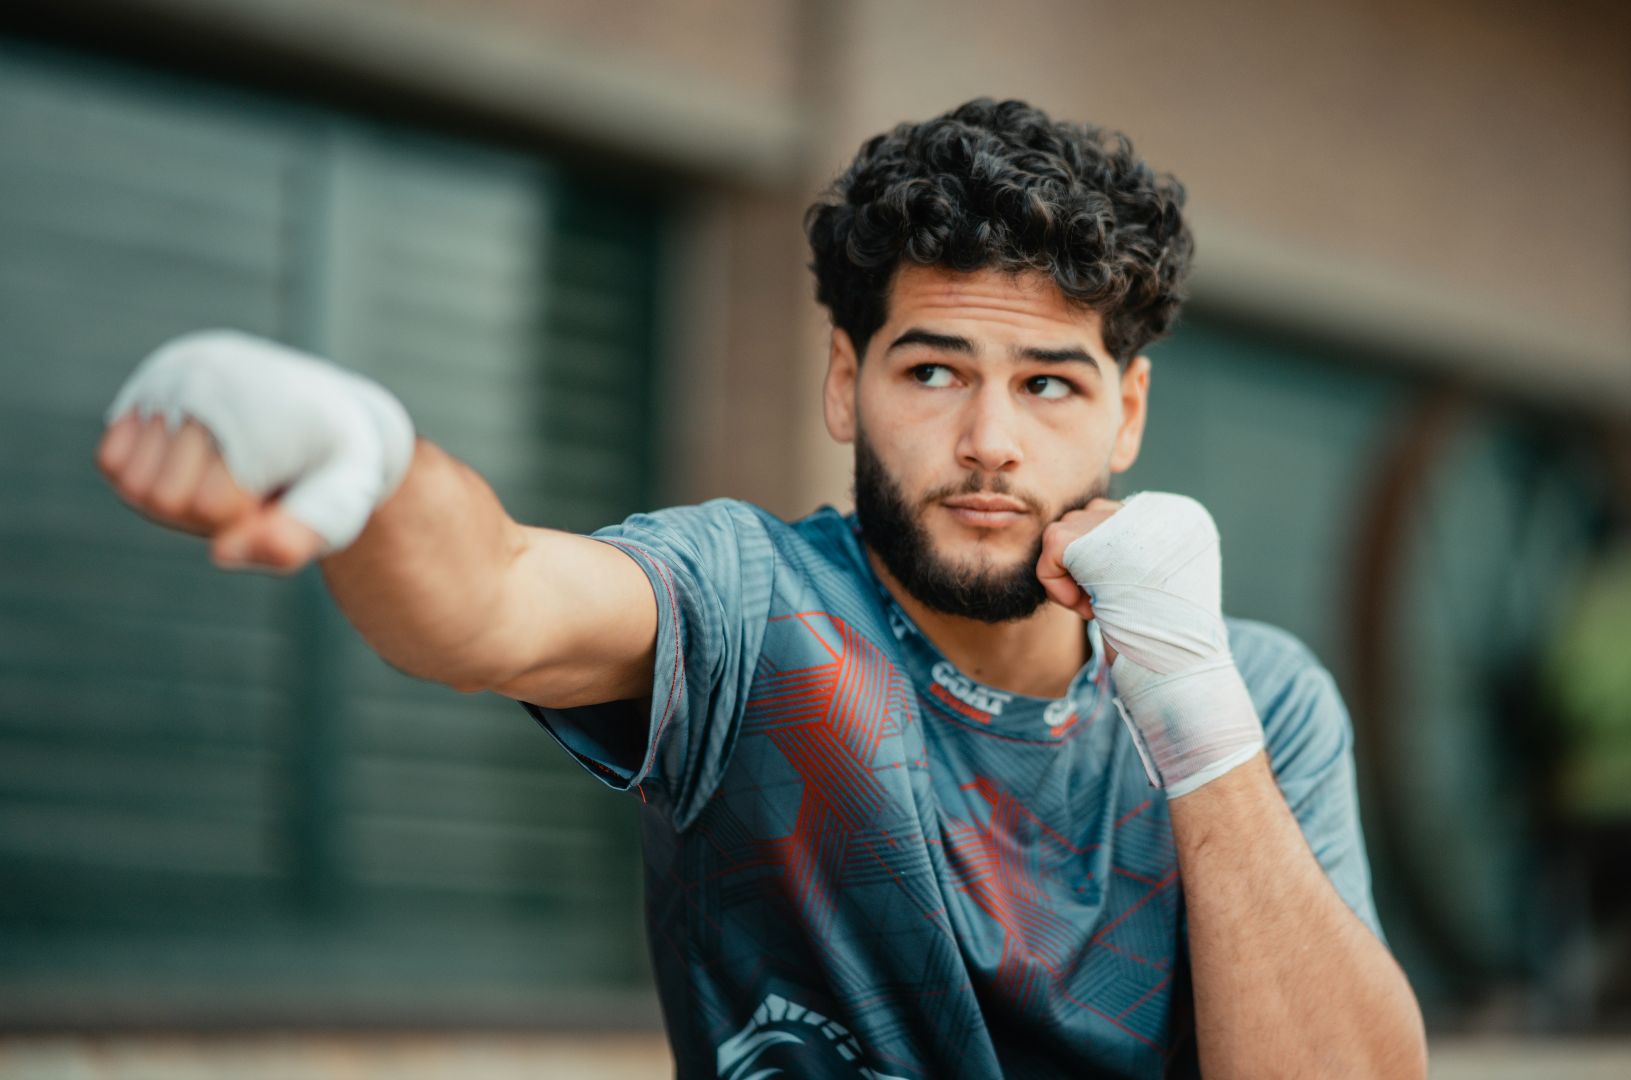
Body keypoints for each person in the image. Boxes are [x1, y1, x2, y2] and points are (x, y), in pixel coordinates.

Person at [94, 98, 1424, 1078]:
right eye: (931, 370)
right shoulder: (755, 606)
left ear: (1126, 410)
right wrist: (379, 469)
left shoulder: (1261, 698)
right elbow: (494, 597)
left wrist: (1191, 703)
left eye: (1050, 384)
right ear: (847, 383)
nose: (990, 441)